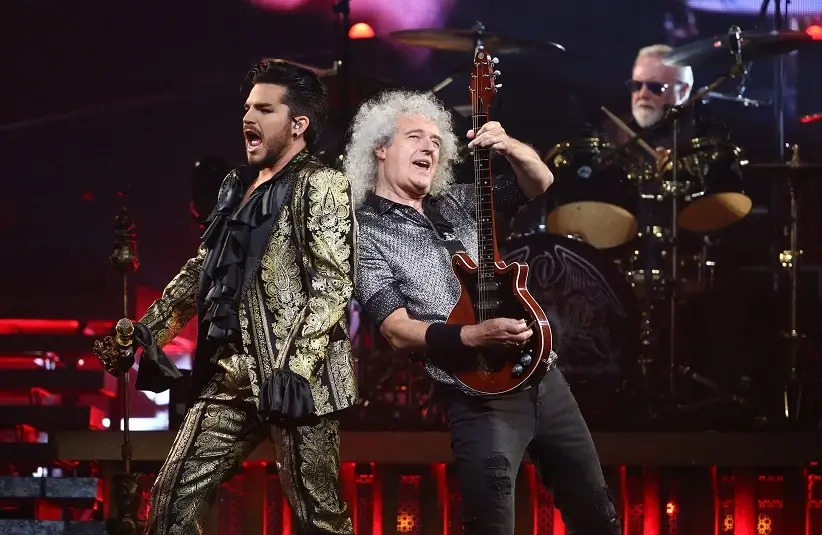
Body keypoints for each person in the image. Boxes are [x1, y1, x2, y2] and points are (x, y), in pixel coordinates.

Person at [93, 60, 357, 535]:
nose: (247, 118)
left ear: (298, 125)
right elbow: (203, 270)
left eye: (264, 108)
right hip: (230, 376)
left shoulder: (321, 183)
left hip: (301, 381)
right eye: (246, 108)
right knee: (170, 506)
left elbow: (332, 286)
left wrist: (295, 368)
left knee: (321, 520)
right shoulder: (235, 186)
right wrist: (145, 332)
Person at [347, 89, 622, 535]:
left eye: (437, 141)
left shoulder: (459, 200)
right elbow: (397, 330)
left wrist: (509, 146)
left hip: (545, 380)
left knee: (598, 518)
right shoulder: (366, 231)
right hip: (479, 397)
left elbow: (539, 182)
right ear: (380, 147)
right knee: (492, 527)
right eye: (415, 137)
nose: (429, 148)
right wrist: (474, 337)